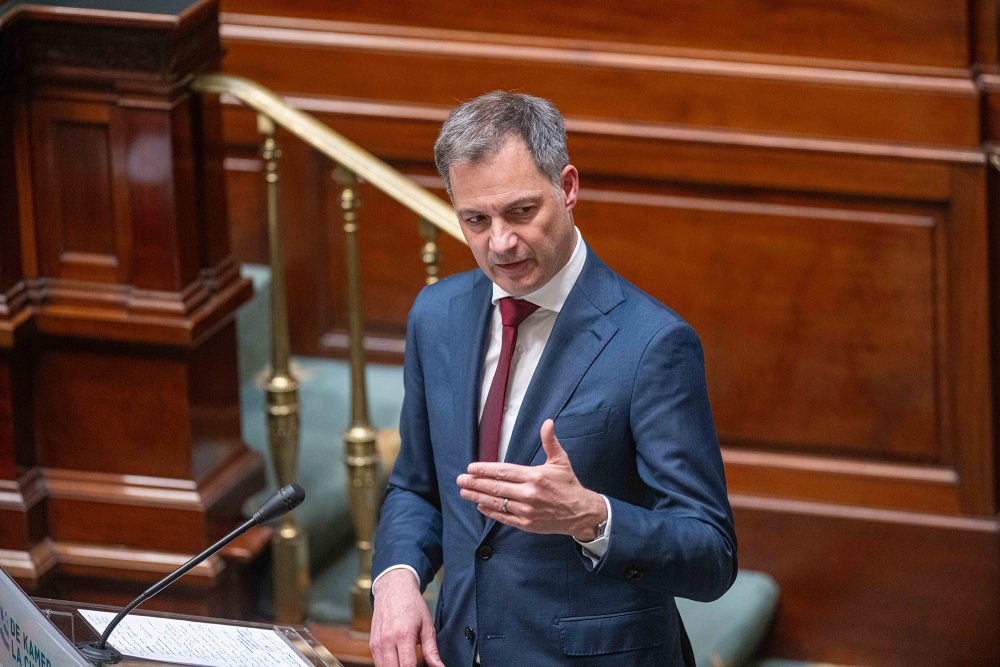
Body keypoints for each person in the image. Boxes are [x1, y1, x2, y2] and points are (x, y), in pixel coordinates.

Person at [370, 90, 737, 667]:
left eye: (521, 212)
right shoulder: (435, 315)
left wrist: (591, 517)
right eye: (475, 219)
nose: (501, 243)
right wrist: (395, 577)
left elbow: (711, 555)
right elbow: (416, 487)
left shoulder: (652, 343)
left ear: (567, 188)